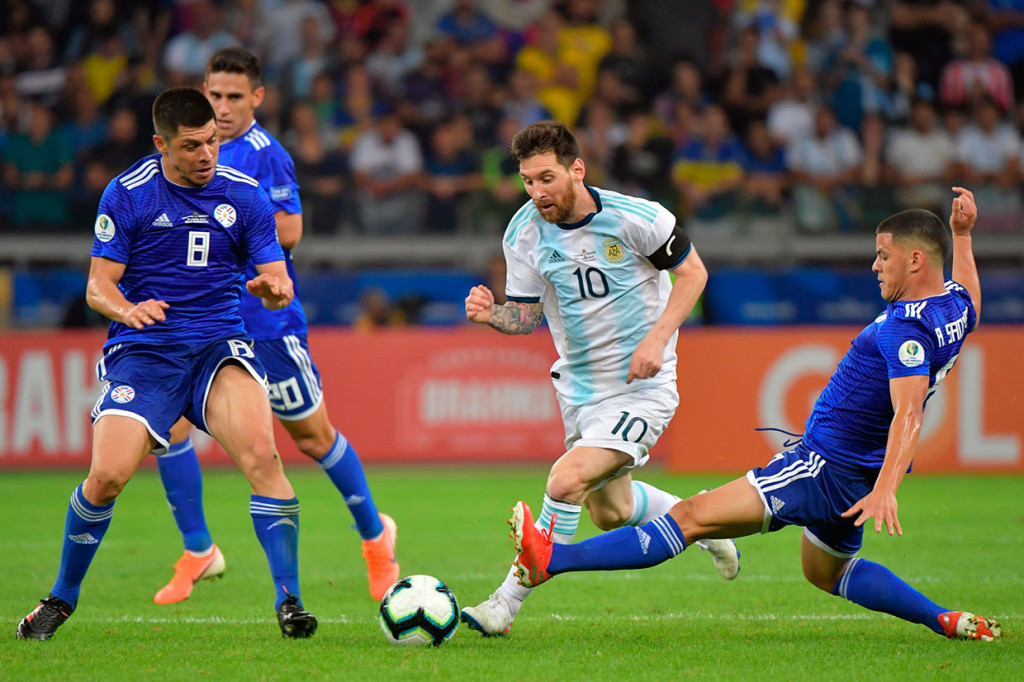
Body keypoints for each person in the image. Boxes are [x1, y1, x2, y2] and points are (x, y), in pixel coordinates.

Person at [508, 188, 1002, 642]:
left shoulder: (905, 329)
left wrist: (887, 489)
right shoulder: (952, 307)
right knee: (825, 573)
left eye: (883, 256)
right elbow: (973, 302)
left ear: (915, 260)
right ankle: (944, 619)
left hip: (822, 467)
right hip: (855, 475)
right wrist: (962, 236)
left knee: (692, 517)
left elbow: (908, 414)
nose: (875, 266)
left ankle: (551, 559)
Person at [17, 86, 318, 640]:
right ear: (161, 144)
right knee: (106, 478)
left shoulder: (246, 194)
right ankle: (61, 598)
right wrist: (127, 310)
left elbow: (277, 276)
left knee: (263, 456)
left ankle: (290, 602)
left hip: (218, 347)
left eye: (212, 142)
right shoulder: (127, 193)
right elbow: (97, 288)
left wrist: (273, 290)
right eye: (191, 146)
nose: (206, 155)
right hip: (146, 351)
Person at [460, 121, 740, 638]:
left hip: (642, 388)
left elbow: (694, 273)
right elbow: (526, 318)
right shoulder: (522, 232)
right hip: (579, 392)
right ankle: (697, 520)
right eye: (527, 181)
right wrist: (492, 313)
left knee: (564, 480)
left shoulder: (639, 218)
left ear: (577, 169)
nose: (537, 192)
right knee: (610, 512)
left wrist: (656, 340)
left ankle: (504, 604)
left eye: (547, 178)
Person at [151, 48, 399, 607]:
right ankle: (198, 549)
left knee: (312, 438)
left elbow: (289, 231)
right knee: (169, 428)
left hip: (266, 323)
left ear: (257, 98)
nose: (223, 106)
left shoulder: (267, 156)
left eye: (235, 97)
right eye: (214, 95)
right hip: (202, 323)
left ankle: (377, 540)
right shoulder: (187, 153)